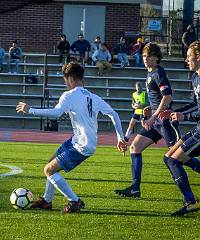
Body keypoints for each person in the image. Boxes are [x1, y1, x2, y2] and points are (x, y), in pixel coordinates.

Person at [16, 62, 127, 213]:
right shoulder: (93, 97)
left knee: (49, 170)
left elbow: (56, 113)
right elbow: (114, 114)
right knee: (51, 163)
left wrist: (30, 110)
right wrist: (120, 138)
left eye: (65, 81)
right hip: (78, 140)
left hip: (82, 145)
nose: (66, 84)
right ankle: (47, 201)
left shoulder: (69, 95)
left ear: (71, 79)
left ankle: (74, 201)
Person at [115, 42, 181, 198]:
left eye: (149, 56)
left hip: (163, 121)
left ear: (156, 58)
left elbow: (167, 97)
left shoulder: (158, 73)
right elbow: (158, 99)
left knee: (178, 156)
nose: (145, 59)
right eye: (144, 56)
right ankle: (135, 189)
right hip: (155, 121)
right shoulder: (150, 73)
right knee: (135, 147)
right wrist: (149, 109)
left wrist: (153, 116)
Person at [158, 40, 200, 216]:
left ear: (198, 57)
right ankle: (190, 200)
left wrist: (184, 116)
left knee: (175, 160)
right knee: (169, 158)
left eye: (189, 57)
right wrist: (173, 112)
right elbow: (195, 104)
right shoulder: (195, 77)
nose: (186, 60)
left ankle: (190, 201)